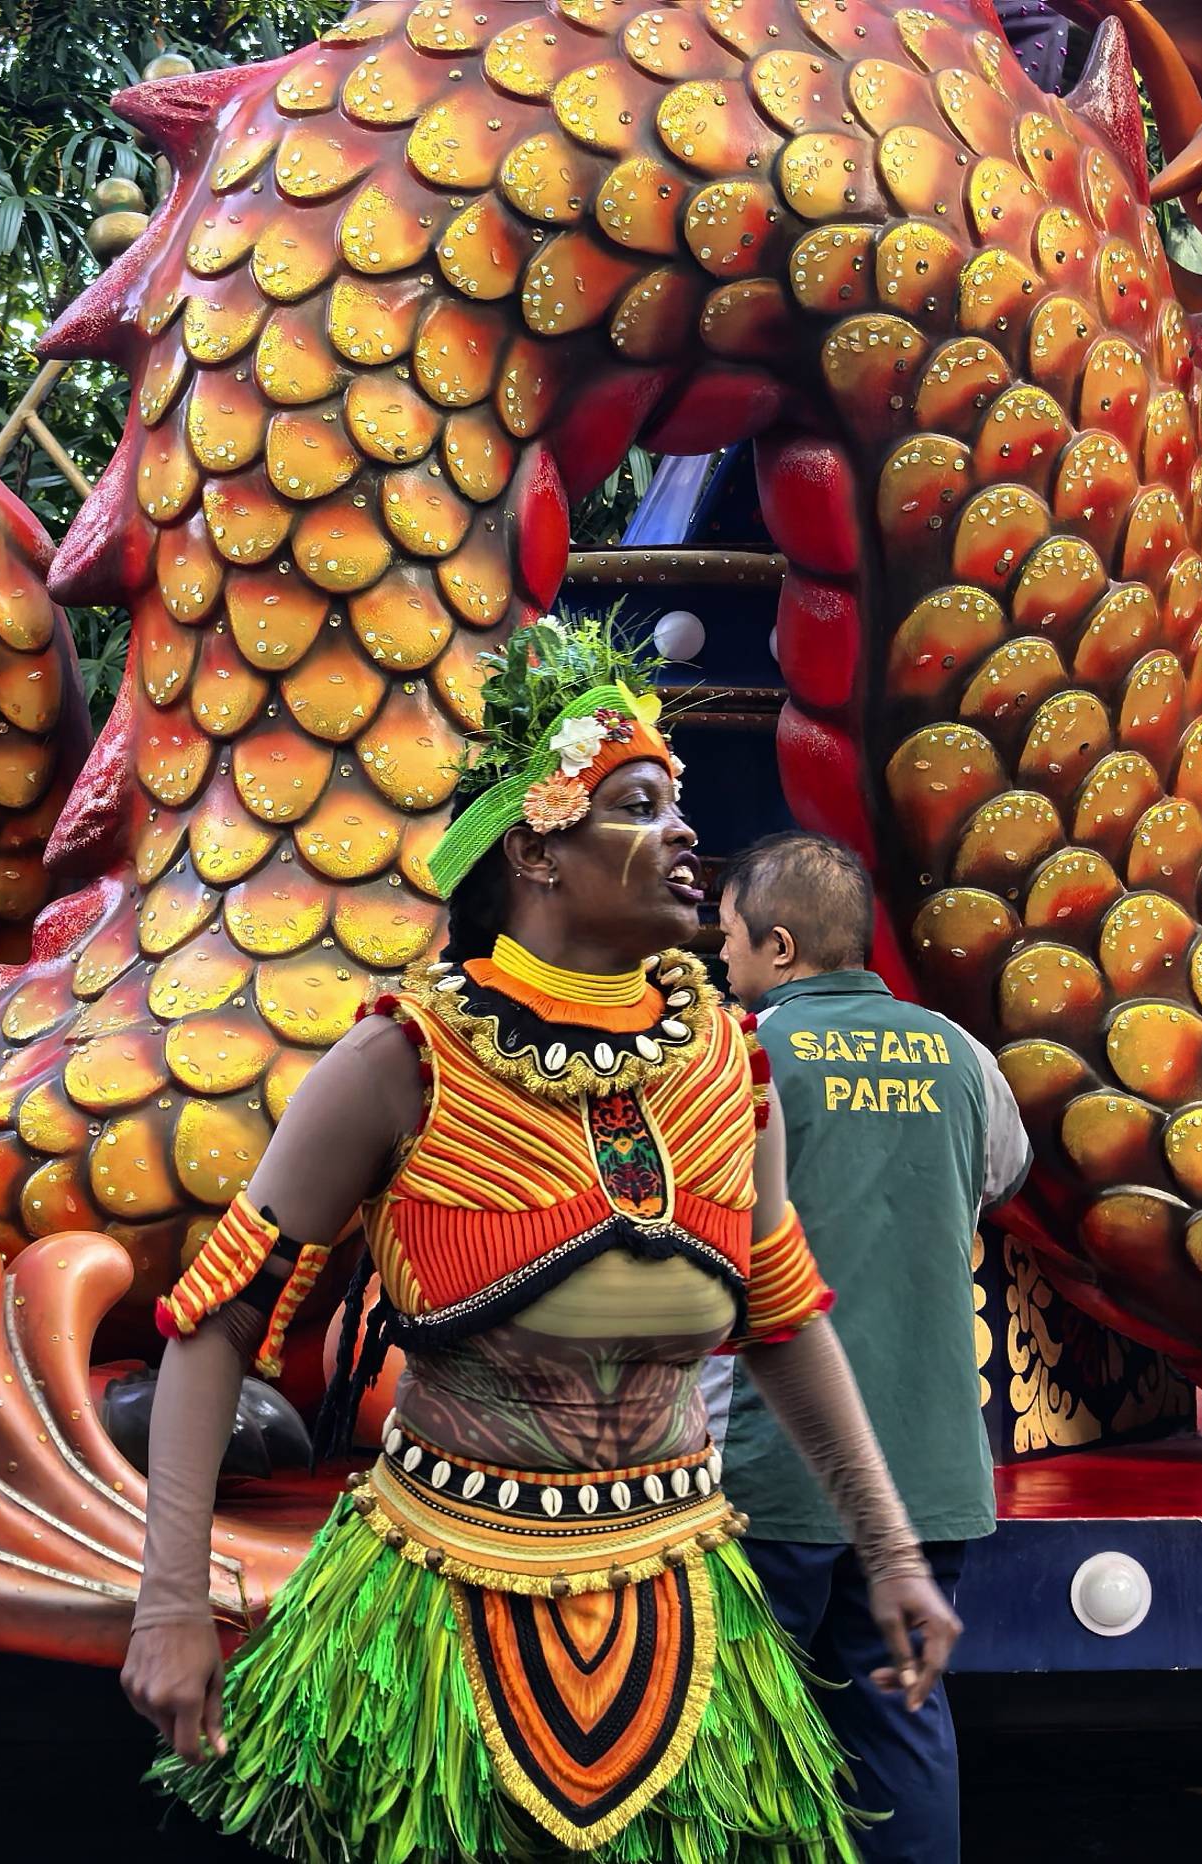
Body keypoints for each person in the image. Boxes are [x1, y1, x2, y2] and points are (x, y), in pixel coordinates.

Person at [119, 618, 963, 1863]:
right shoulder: (399, 1062)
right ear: (534, 850)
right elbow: (218, 1320)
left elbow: (785, 1324)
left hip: (687, 1610)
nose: (684, 833)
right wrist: (170, 1602)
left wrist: (889, 1549)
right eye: (637, 805)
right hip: (433, 1619)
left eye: (678, 805)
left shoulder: (733, 1068)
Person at [713, 831, 1022, 1864]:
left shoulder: (740, 1056)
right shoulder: (961, 1054)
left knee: (744, 1733)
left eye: (729, 938)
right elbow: (1000, 1177)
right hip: (930, 1467)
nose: (721, 960)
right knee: (899, 1715)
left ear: (781, 947)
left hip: (774, 1468)